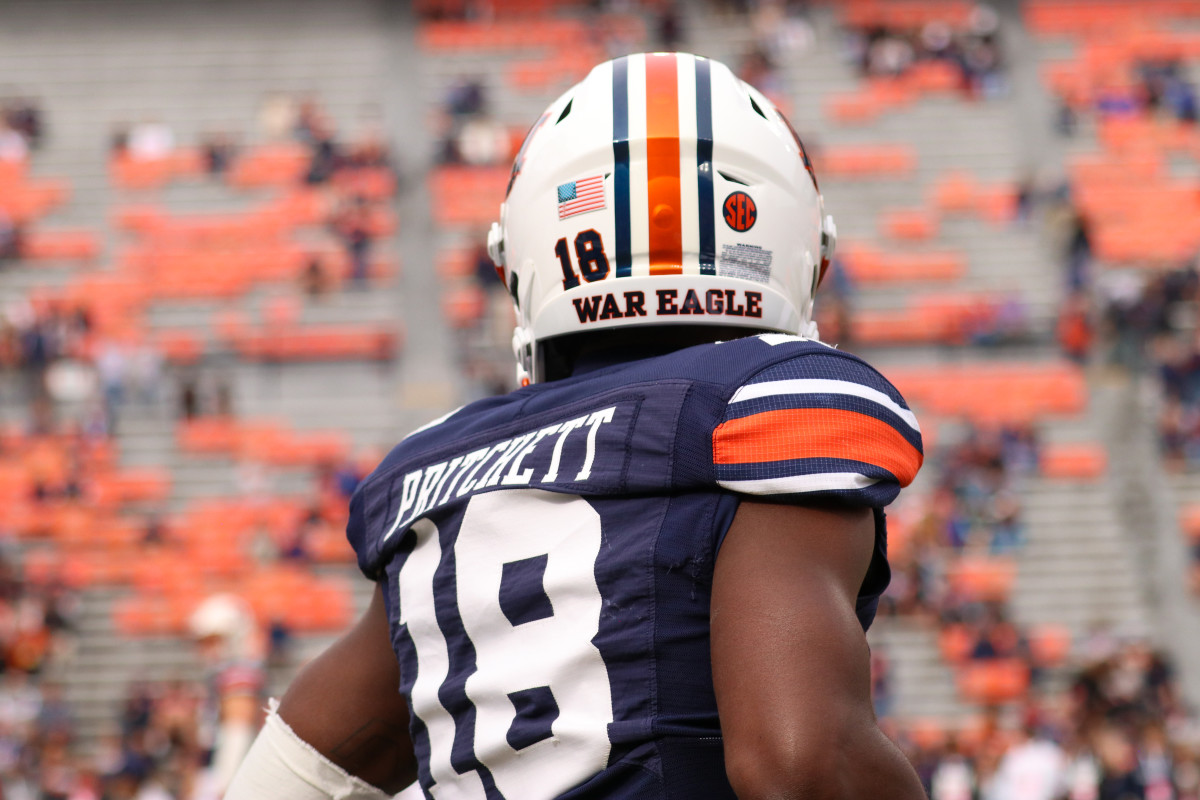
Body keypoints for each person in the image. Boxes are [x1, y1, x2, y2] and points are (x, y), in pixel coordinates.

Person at [225, 52, 927, 800]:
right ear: (797, 250)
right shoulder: (773, 402)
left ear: (529, 256)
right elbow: (801, 765)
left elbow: (284, 782)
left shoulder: (443, 470)